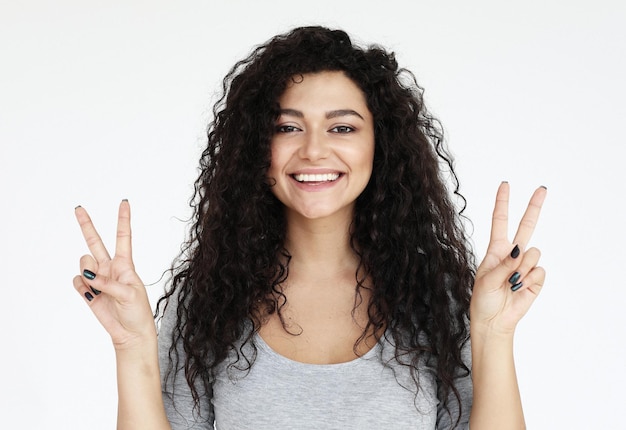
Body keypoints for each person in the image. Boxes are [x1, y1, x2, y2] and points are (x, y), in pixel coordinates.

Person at [73, 26, 547, 429]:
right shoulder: (209, 300)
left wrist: (493, 332)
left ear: (380, 148)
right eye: (287, 127)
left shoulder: (436, 298)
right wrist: (133, 347)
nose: (315, 151)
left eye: (342, 128)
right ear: (257, 149)